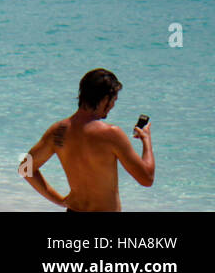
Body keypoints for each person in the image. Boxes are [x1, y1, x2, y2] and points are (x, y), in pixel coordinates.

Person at [22, 68, 154, 212]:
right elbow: (146, 179)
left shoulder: (58, 131)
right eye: (114, 100)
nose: (113, 106)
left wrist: (59, 200)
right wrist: (146, 140)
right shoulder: (111, 134)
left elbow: (25, 168)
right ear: (105, 99)